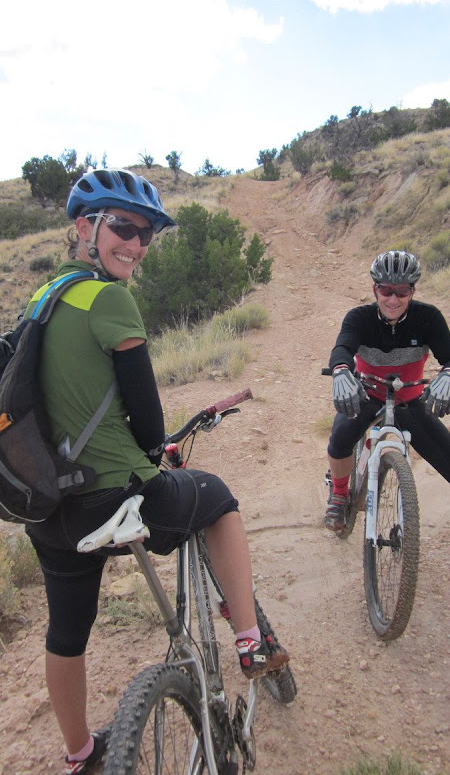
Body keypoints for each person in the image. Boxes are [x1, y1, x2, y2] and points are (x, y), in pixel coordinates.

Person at [25, 169, 289, 774]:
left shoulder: (43, 299)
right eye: (123, 227)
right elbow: (147, 419)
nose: (137, 244)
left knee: (66, 632)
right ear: (83, 227)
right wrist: (156, 449)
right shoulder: (109, 299)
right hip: (112, 496)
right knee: (217, 497)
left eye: (146, 234)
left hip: (50, 509)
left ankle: (80, 754)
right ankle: (251, 643)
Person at [324, 249, 450, 532]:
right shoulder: (360, 317)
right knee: (341, 437)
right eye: (386, 290)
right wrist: (341, 370)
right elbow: (343, 347)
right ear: (375, 289)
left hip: (409, 398)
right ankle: (339, 494)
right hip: (368, 393)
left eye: (402, 291)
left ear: (412, 291)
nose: (393, 299)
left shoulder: (428, 318)